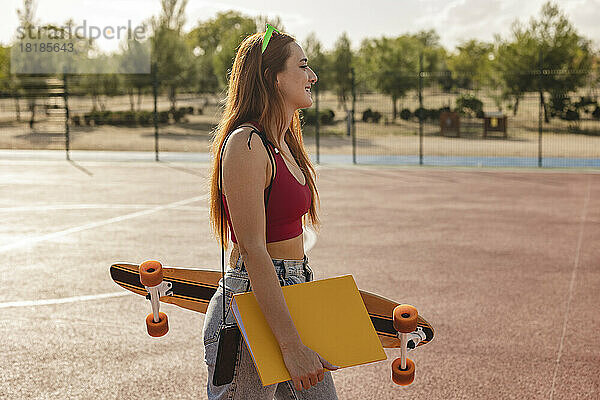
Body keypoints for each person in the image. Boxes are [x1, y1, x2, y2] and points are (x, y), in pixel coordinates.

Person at [203, 27, 340, 399]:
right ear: (274, 77)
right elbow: (252, 250)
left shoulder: (286, 142)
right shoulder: (246, 143)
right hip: (252, 301)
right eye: (303, 66)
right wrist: (292, 346)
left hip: (295, 291)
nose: (312, 77)